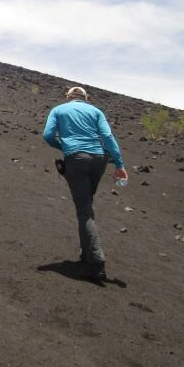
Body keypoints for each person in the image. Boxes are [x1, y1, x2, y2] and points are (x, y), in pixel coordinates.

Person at [42, 86, 128, 281]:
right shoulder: (96, 112)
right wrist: (119, 164)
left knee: (84, 211)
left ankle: (95, 263)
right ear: (86, 98)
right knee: (87, 205)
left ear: (68, 97)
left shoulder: (58, 110)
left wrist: (65, 147)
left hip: (76, 159)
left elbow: (47, 135)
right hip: (99, 160)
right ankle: (87, 254)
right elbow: (107, 136)